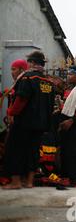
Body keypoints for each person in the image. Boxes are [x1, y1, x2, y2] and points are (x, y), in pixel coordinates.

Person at [3, 51, 55, 189]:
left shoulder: (27, 78)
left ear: (31, 63)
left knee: (14, 149)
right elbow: (50, 104)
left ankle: (16, 182)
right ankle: (29, 182)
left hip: (24, 122)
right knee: (32, 152)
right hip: (40, 124)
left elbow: (21, 99)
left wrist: (10, 112)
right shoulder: (49, 81)